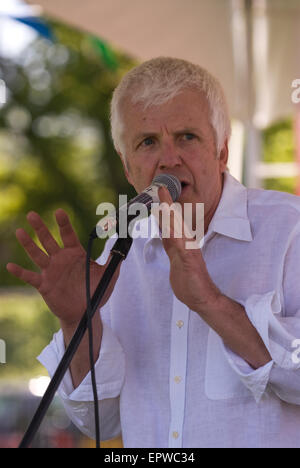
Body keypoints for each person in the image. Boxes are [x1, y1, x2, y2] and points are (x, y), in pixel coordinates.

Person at [7, 57, 300, 448]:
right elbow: (100, 423)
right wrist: (80, 324)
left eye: (186, 137)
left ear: (222, 150)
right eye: (148, 142)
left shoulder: (289, 229)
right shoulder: (117, 252)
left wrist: (210, 302)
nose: (168, 159)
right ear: (128, 169)